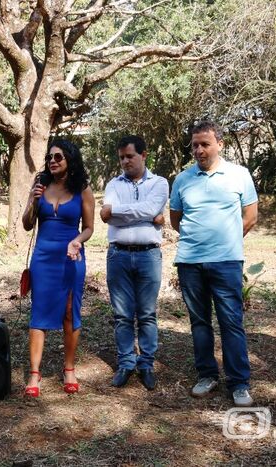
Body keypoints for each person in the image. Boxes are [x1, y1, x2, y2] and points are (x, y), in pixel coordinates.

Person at [169, 121, 258, 407]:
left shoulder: (239, 175)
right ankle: (207, 374)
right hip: (190, 263)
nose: (199, 150)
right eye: (195, 145)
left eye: (205, 144)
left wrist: (226, 240)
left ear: (220, 144)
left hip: (226, 262)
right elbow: (175, 219)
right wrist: (199, 241)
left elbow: (250, 216)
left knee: (231, 321)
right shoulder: (183, 180)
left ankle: (239, 383)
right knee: (199, 322)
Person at [21, 139, 95, 397]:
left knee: (68, 313)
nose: (53, 161)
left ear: (70, 160)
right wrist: (32, 200)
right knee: (39, 312)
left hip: (70, 257)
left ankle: (69, 368)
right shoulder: (40, 185)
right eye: (50, 157)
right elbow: (27, 225)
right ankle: (34, 373)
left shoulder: (82, 190)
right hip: (43, 258)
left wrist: (77, 241)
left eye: (59, 157)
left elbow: (88, 228)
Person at [100, 135, 168, 390]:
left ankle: (146, 364)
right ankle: (126, 363)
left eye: (130, 156)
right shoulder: (113, 184)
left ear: (144, 155)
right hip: (118, 255)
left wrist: (117, 211)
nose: (125, 161)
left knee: (147, 314)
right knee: (122, 315)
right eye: (121, 157)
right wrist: (147, 215)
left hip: (148, 255)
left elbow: (149, 209)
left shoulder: (160, 183)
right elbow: (111, 218)